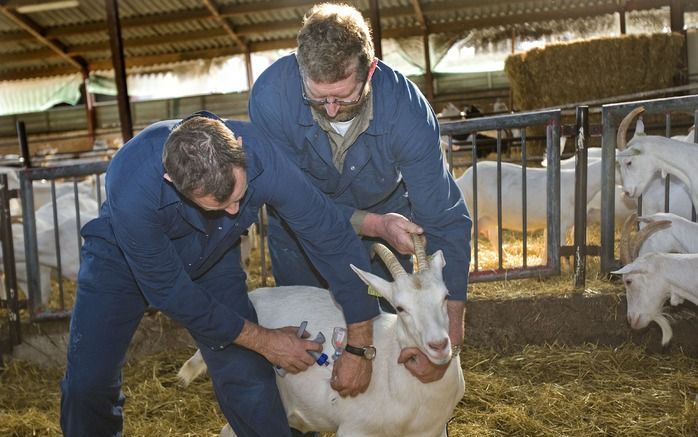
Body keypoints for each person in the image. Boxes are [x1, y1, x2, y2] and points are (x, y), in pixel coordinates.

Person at [59, 111, 380, 437]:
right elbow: (171, 291)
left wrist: (360, 342)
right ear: (172, 180)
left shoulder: (260, 152)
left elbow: (330, 235)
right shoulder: (132, 182)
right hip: (120, 263)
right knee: (87, 384)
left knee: (248, 375)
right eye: (219, 203)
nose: (235, 211)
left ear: (238, 147)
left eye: (240, 196)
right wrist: (265, 340)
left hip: (213, 251)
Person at [249, 3, 472, 384]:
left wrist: (451, 327)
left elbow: (443, 214)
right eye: (318, 99)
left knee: (397, 347)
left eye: (345, 97)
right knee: (305, 361)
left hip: (389, 226)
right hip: (302, 237)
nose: (332, 110)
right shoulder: (271, 98)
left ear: (370, 70)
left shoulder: (406, 109)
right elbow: (294, 200)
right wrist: (373, 225)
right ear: (301, 72)